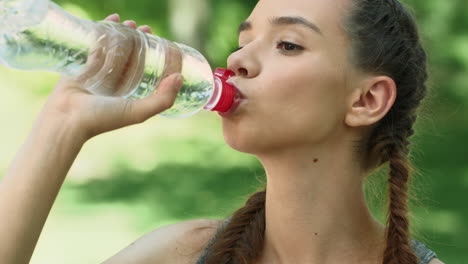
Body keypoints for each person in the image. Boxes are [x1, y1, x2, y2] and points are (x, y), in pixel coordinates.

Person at [0, 0, 445, 263]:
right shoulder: (181, 254)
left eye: (288, 44)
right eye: (244, 40)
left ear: (366, 100)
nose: (236, 61)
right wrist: (63, 122)